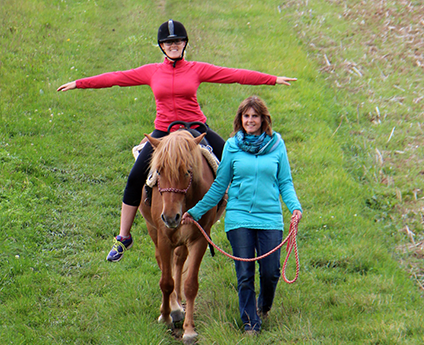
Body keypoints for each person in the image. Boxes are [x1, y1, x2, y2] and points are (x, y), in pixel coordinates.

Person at [58, 20, 297, 262]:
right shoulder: (151, 71)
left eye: (178, 41)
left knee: (234, 164)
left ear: (185, 44)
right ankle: (123, 237)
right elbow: (117, 78)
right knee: (134, 177)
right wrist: (79, 83)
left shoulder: (196, 69)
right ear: (162, 46)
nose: (174, 45)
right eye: (169, 42)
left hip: (195, 129)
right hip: (163, 132)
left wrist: (271, 79)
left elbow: (232, 75)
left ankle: (239, 219)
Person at [182, 96, 303, 335]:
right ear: (240, 119)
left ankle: (264, 306)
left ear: (263, 119)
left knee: (271, 272)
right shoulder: (231, 146)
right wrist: (195, 211)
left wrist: (295, 207)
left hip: (269, 217)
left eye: (255, 116)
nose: (250, 120)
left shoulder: (277, 144)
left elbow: (285, 182)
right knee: (245, 274)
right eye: (246, 116)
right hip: (239, 218)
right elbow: (219, 186)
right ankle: (250, 323)